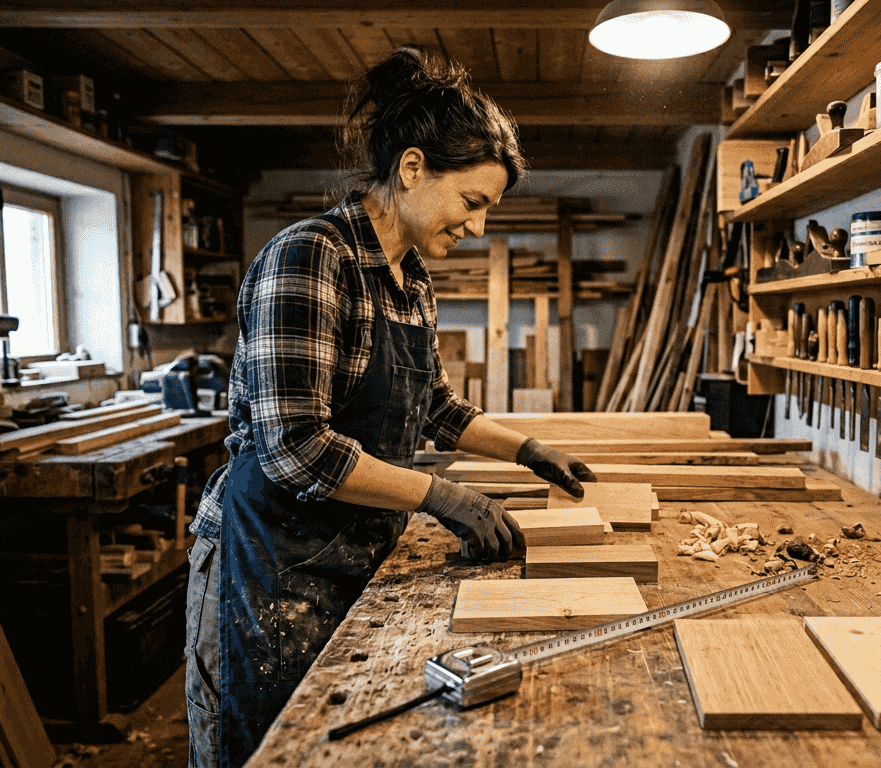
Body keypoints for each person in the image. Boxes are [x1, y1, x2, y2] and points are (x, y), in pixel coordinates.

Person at [183, 46, 598, 768]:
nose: (478, 228)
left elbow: (432, 405)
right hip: (271, 559)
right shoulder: (311, 257)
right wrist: (444, 496)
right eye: (472, 202)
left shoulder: (409, 280)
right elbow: (294, 448)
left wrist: (527, 450)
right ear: (412, 169)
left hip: (350, 547)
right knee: (269, 750)